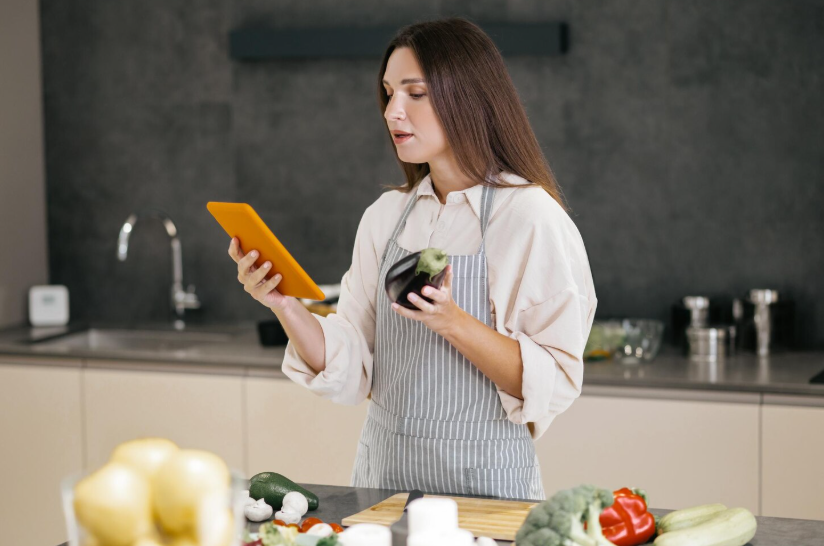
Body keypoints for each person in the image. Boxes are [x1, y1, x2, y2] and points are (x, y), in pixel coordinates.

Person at [228, 18, 596, 500]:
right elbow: (351, 366)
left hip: (485, 486)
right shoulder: (386, 217)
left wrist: (452, 321)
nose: (392, 112)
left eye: (415, 94)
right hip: (385, 481)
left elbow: (556, 378)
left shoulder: (527, 216)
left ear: (467, 97)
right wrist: (284, 304)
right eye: (388, 93)